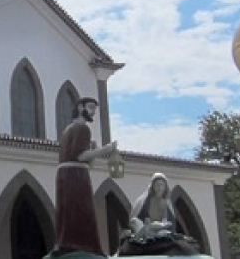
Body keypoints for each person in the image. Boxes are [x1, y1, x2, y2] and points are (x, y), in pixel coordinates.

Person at [53, 97, 117, 256]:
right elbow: (80, 156)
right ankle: (85, 246)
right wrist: (104, 150)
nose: (92, 112)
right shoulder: (83, 128)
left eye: (94, 110)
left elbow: (87, 162)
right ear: (80, 107)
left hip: (64, 175)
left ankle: (66, 243)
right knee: (83, 212)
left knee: (69, 213)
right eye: (90, 108)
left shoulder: (67, 130)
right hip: (76, 176)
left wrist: (93, 153)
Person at [130, 173, 176, 239]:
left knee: (164, 234)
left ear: (165, 187)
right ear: (153, 187)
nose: (159, 188)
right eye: (157, 185)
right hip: (147, 228)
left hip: (161, 229)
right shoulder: (146, 201)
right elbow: (139, 216)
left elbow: (169, 221)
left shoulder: (166, 203)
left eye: (162, 185)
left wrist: (163, 224)